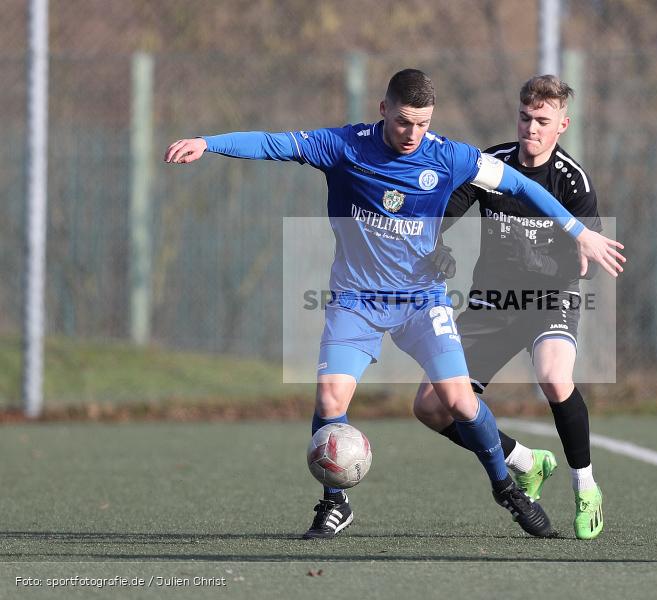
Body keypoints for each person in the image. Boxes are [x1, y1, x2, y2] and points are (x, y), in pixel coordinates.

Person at [165, 69, 622, 540]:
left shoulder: (451, 156)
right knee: (329, 397)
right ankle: (333, 503)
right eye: (405, 122)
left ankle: (508, 488)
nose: (413, 134)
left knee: (460, 401)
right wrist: (209, 142)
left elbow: (524, 186)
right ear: (384, 110)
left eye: (423, 123)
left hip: (422, 302)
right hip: (356, 300)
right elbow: (272, 143)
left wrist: (579, 231)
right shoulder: (344, 146)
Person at [414, 75, 624, 540]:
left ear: (562, 125)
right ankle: (525, 460)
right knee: (430, 406)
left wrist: (553, 261)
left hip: (550, 299)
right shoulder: (494, 165)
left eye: (543, 121)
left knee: (554, 376)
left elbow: (586, 265)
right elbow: (446, 211)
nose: (531, 128)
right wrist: (435, 243)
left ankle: (585, 485)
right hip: (492, 303)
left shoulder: (573, 181)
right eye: (525, 117)